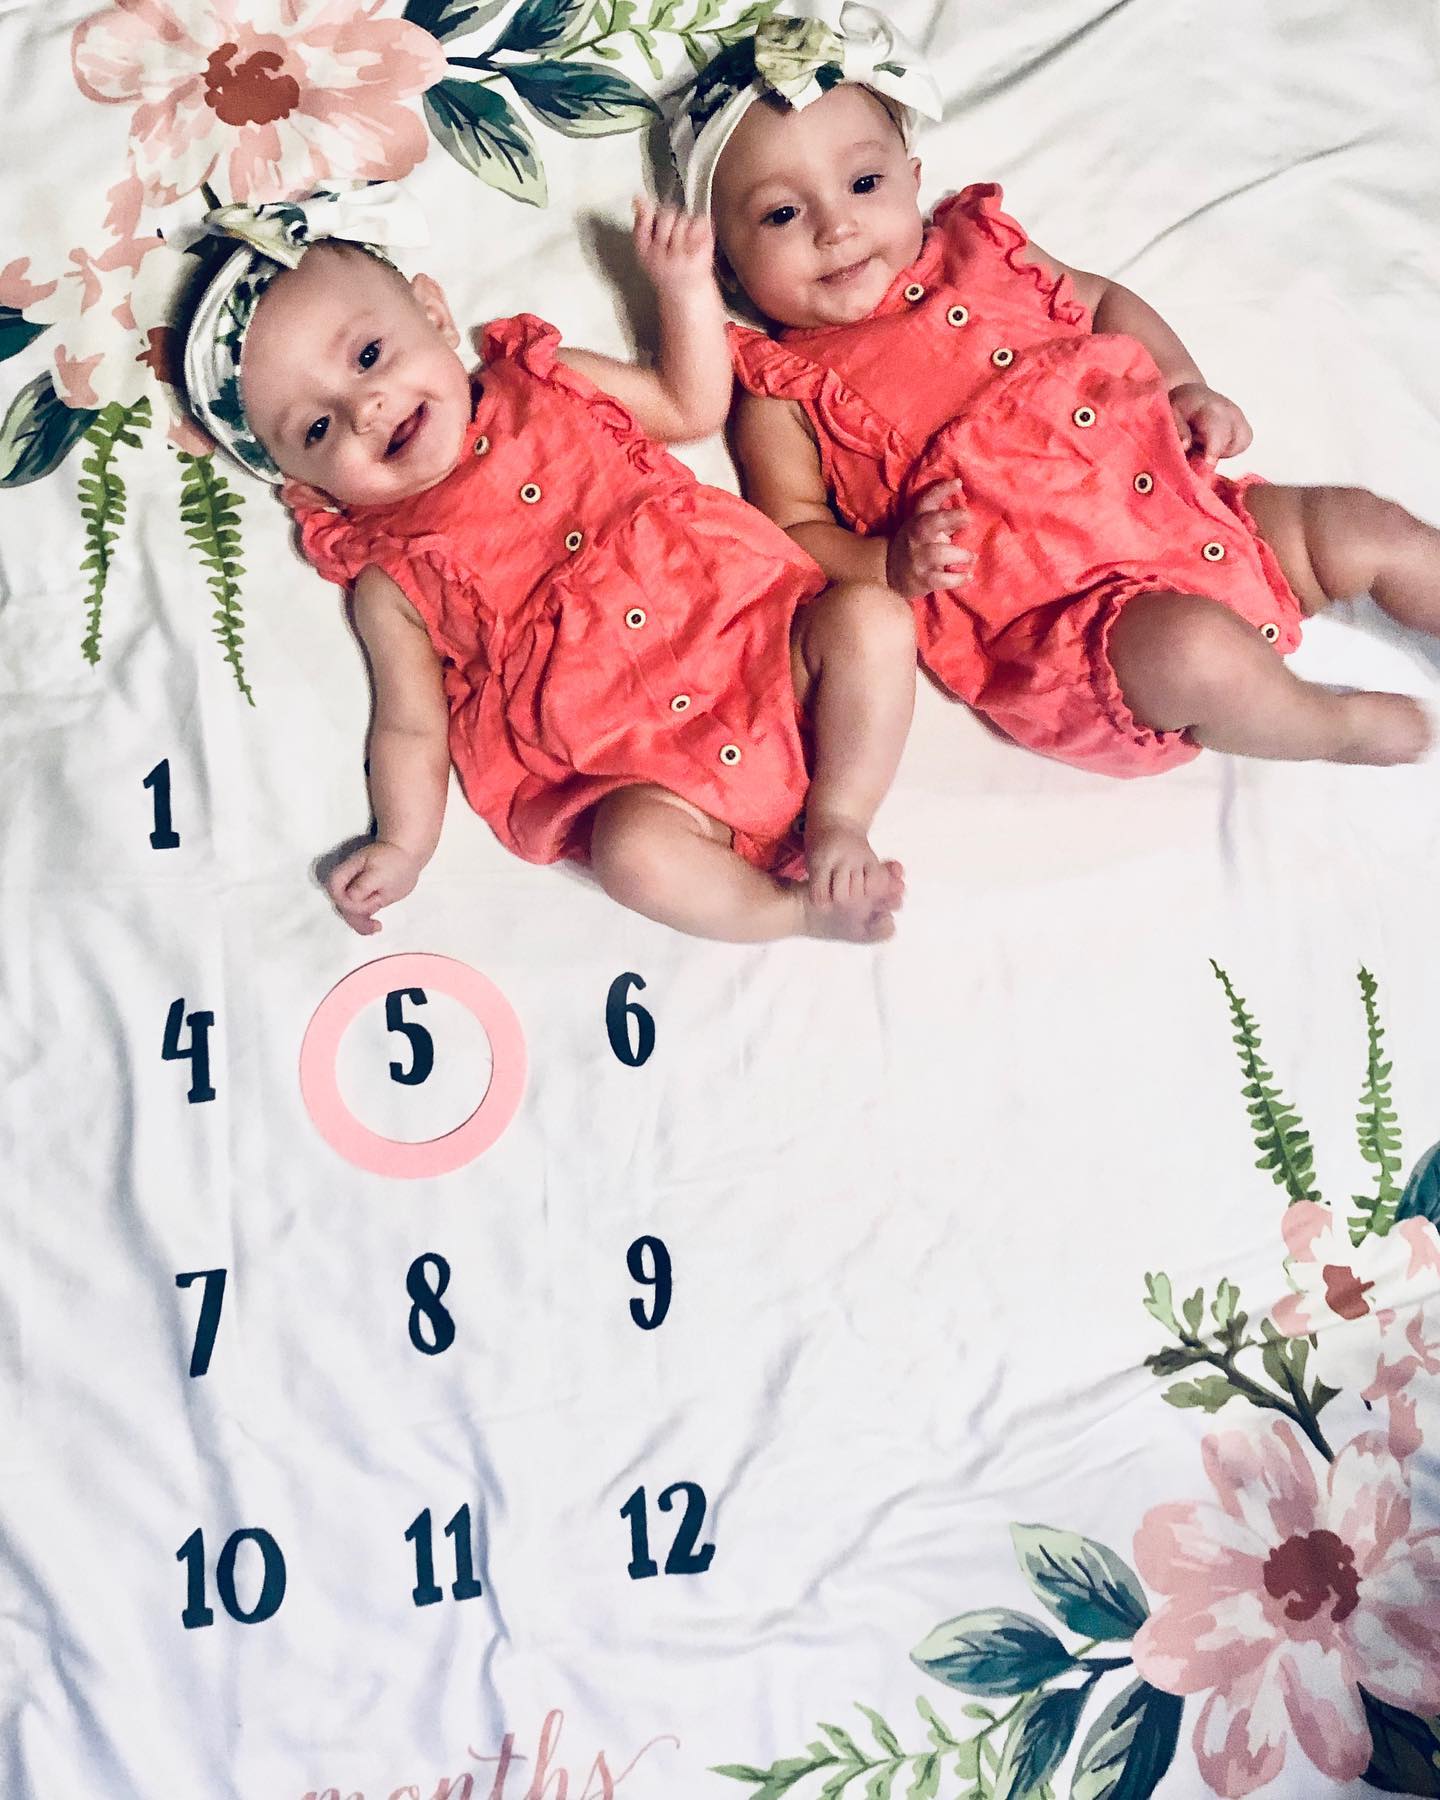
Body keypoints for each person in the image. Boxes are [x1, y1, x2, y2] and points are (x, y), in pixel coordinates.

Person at [675, 0, 1440, 778]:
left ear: (912, 180)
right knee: (1198, 652)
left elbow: (1103, 302)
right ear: (727, 268)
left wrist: (1183, 385)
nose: (835, 227)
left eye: (864, 182)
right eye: (781, 214)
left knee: (1362, 526)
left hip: (1194, 507)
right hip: (1075, 628)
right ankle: (1326, 725)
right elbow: (795, 531)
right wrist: (888, 564)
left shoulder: (985, 251)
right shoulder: (787, 388)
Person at [178, 186, 916, 944]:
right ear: (303, 485)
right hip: (654, 778)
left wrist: (682, 288)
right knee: (630, 854)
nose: (366, 408)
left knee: (871, 618)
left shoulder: (551, 382)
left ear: (433, 314)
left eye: (370, 357)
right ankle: (795, 912)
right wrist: (403, 843)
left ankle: (839, 820)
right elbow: (409, 728)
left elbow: (689, 407)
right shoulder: (389, 580)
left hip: (768, 662)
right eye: (317, 427)